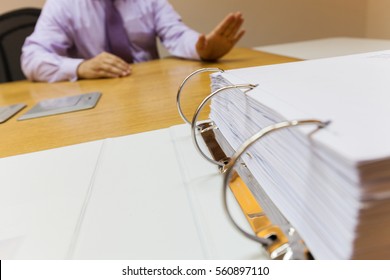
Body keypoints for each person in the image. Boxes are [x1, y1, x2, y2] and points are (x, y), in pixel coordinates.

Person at [21, 0, 245, 83]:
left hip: (149, 90)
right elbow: (32, 57)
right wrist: (79, 67)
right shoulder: (63, 4)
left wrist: (202, 49)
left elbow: (176, 34)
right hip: (99, 100)